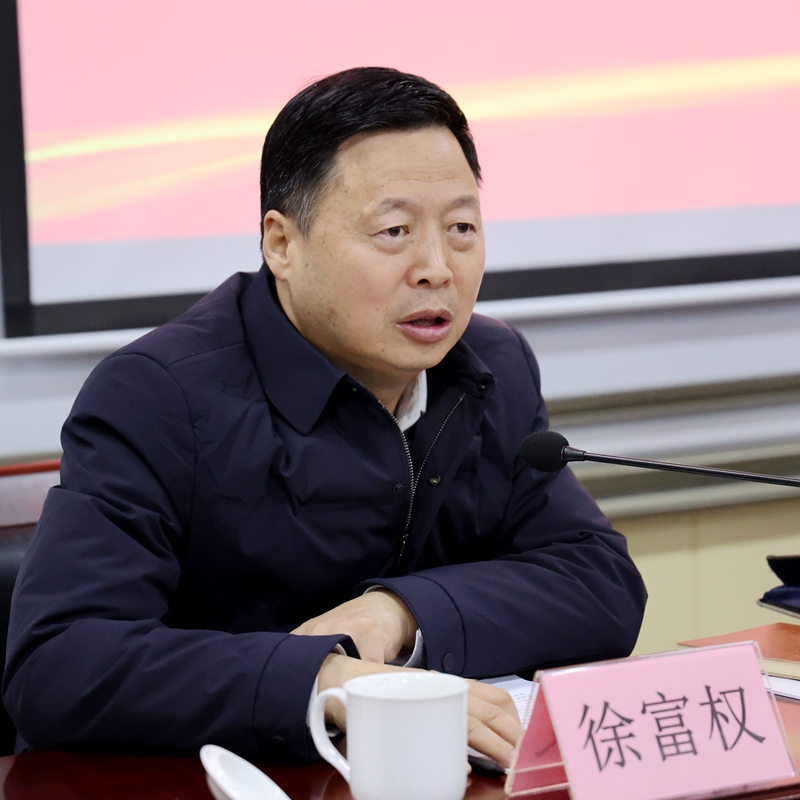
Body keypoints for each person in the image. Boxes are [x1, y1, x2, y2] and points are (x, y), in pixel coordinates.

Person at [3, 67, 646, 767]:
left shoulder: (490, 366)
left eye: (462, 227)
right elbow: (59, 664)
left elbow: (598, 583)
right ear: (282, 244)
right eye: (394, 231)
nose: (437, 268)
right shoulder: (158, 395)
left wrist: (401, 613)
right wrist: (327, 681)